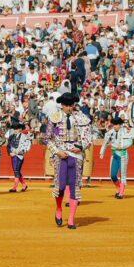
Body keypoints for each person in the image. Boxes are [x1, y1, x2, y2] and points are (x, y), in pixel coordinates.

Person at [46, 92, 93, 229]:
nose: (68, 107)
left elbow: (88, 137)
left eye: (70, 105)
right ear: (61, 105)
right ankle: (59, 209)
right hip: (60, 153)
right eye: (66, 105)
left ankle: (71, 219)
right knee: (60, 186)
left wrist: (82, 147)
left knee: (74, 186)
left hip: (76, 155)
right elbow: (47, 138)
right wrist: (57, 151)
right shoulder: (54, 117)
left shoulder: (81, 117)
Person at [99, 117, 134, 199]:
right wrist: (102, 152)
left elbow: (131, 141)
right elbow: (105, 142)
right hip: (114, 155)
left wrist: (122, 146)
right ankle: (119, 188)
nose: (114, 126)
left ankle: (121, 193)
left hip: (123, 155)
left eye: (116, 124)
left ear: (120, 125)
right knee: (112, 175)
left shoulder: (126, 131)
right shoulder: (110, 132)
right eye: (114, 124)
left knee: (123, 175)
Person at [6, 122, 32, 192]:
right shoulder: (11, 136)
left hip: (19, 156)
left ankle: (15, 187)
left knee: (16, 170)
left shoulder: (24, 136)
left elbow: (28, 146)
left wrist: (21, 152)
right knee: (17, 171)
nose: (15, 130)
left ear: (20, 129)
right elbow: (8, 146)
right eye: (14, 129)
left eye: (16, 129)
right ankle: (24, 185)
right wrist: (10, 152)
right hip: (13, 155)